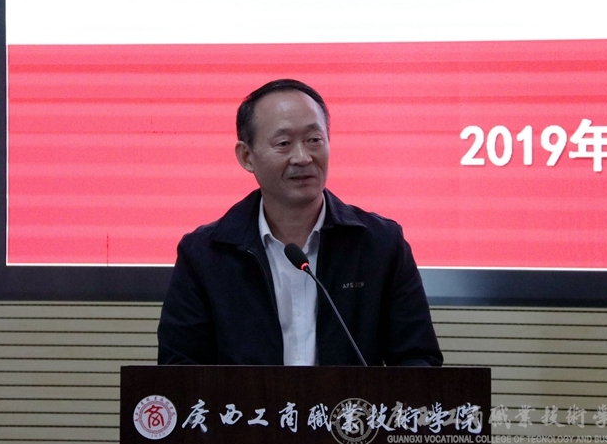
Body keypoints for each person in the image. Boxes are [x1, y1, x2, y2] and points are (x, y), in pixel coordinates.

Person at [158, 79, 442, 367]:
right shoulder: (205, 255)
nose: (303, 157)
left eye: (314, 140)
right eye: (284, 144)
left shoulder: (380, 245)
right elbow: (179, 369)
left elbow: (418, 358)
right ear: (246, 156)